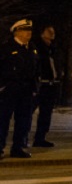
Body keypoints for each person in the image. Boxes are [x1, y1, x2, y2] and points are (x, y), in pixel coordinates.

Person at [0, 19, 38, 159]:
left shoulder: (31, 48)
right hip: (10, 89)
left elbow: (35, 70)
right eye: (25, 30)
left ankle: (18, 147)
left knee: (23, 120)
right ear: (17, 31)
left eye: (30, 30)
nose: (29, 33)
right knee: (3, 119)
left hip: (26, 90)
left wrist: (35, 87)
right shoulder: (6, 48)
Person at [32, 24, 59, 148]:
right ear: (42, 33)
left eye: (53, 31)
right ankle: (22, 138)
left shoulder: (52, 49)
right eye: (49, 31)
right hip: (40, 84)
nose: (52, 34)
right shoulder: (37, 47)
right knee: (28, 112)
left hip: (50, 84)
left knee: (46, 113)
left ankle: (40, 137)